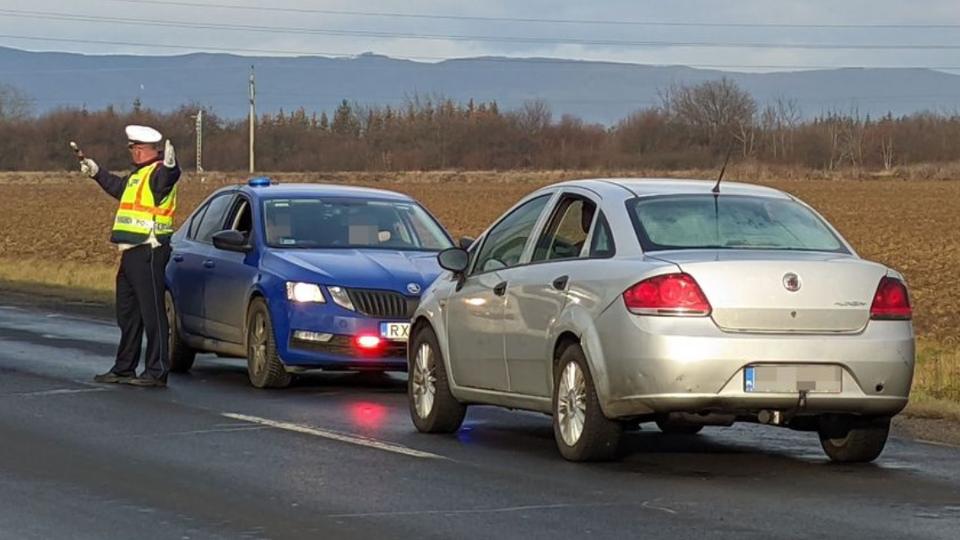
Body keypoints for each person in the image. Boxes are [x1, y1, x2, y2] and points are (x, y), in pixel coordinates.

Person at [79, 125, 181, 388]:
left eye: (139, 149)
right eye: (133, 149)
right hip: (130, 250)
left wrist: (171, 165)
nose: (135, 153)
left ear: (153, 151)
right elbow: (119, 187)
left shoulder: (158, 172)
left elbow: (168, 178)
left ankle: (157, 370)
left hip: (149, 248)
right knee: (128, 314)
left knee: (152, 313)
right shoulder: (138, 176)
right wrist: (97, 173)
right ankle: (124, 368)